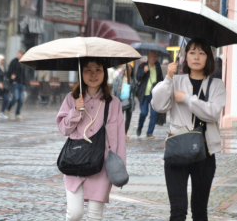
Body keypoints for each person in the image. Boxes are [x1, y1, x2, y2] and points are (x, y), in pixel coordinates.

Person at [151, 38, 226, 221]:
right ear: (185, 56)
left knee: (200, 212)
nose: (196, 57)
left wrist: (186, 99)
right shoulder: (175, 81)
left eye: (202, 53)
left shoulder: (216, 85)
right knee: (177, 211)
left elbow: (213, 113)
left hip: (205, 153)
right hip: (177, 149)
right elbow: (158, 105)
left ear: (208, 57)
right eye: (192, 52)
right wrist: (168, 77)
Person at [56, 58, 126, 220]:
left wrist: (119, 167)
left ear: (104, 73)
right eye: (88, 70)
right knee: (74, 214)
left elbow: (120, 138)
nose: (93, 74)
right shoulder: (71, 99)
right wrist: (75, 111)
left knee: (95, 216)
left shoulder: (113, 103)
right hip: (75, 163)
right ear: (81, 73)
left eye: (98, 70)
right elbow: (63, 129)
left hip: (101, 166)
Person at [136, 50, 163, 138]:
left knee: (154, 114)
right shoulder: (142, 66)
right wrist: (144, 71)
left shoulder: (158, 66)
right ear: (148, 57)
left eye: (155, 56)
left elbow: (161, 79)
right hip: (144, 94)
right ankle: (140, 127)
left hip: (154, 95)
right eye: (152, 56)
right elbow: (138, 77)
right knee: (144, 112)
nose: (154, 58)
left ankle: (149, 133)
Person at [112, 64, 137, 139]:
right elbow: (114, 90)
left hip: (129, 102)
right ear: (124, 70)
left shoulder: (132, 80)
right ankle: (120, 132)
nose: (128, 72)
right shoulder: (118, 79)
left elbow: (135, 90)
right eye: (127, 70)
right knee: (120, 118)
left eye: (130, 70)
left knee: (128, 118)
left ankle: (125, 132)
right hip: (120, 101)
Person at [6, 49, 26, 120]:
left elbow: (24, 74)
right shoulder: (14, 62)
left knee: (20, 100)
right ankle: (8, 109)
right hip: (15, 83)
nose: (21, 55)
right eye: (20, 54)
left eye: (23, 54)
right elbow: (8, 73)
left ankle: (17, 113)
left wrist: (24, 82)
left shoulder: (24, 62)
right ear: (18, 54)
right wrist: (12, 79)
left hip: (22, 84)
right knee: (15, 98)